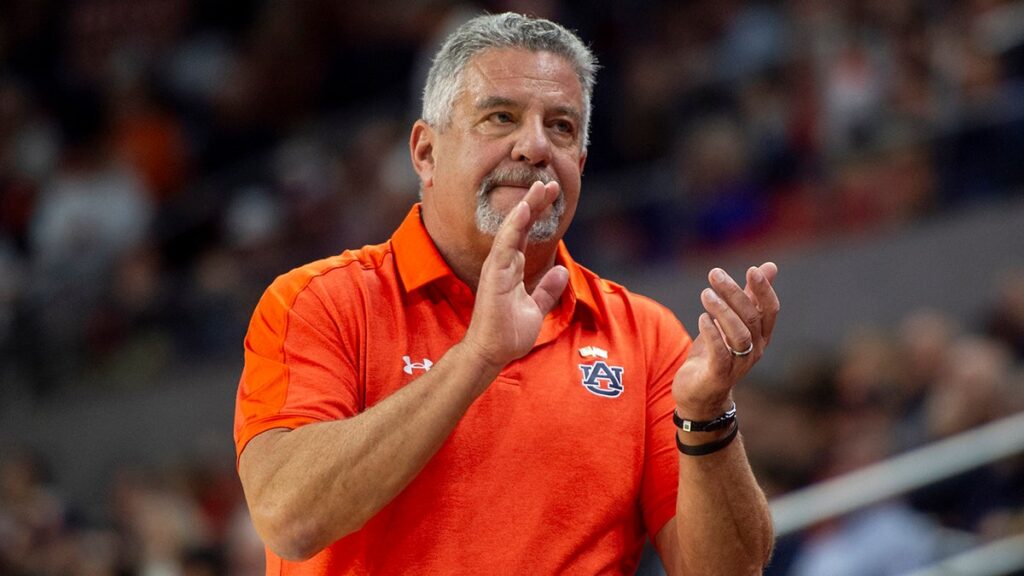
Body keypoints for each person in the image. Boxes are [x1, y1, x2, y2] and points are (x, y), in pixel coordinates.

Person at [234, 13, 778, 575]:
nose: (536, 146)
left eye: (561, 127)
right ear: (425, 152)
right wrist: (477, 356)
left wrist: (707, 414)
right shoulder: (318, 303)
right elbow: (289, 519)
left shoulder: (646, 336)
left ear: (579, 165)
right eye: (501, 118)